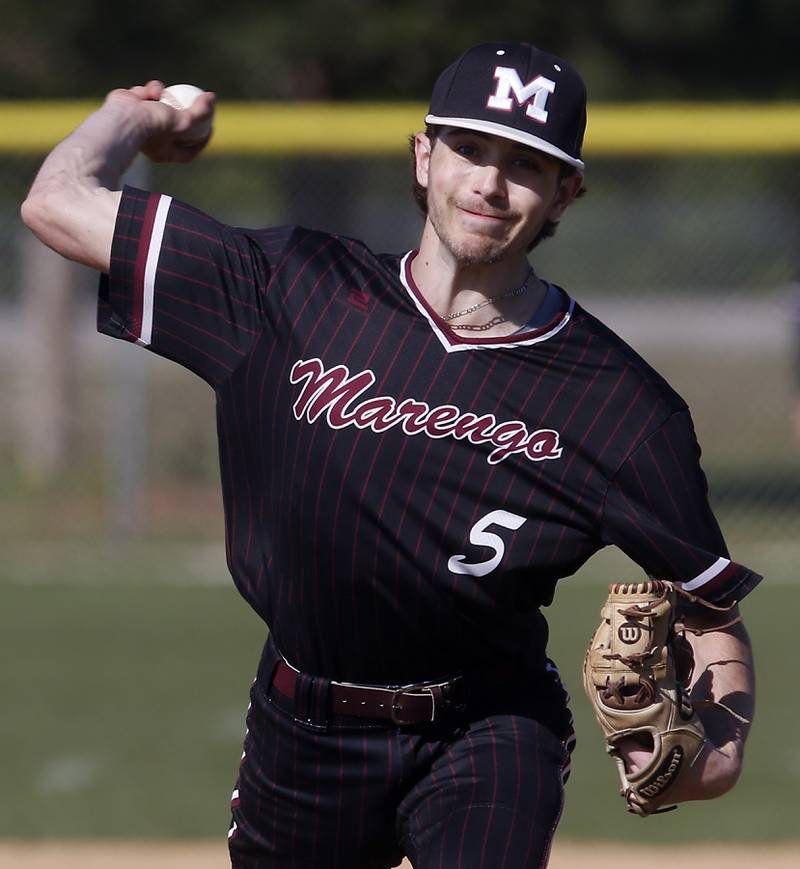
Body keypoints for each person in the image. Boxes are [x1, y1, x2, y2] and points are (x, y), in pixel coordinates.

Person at [22, 41, 759, 869]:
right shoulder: (285, 289)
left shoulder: (623, 408)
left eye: (524, 164)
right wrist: (136, 116)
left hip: (488, 727)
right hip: (302, 728)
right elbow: (57, 202)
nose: (488, 182)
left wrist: (718, 752)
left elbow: (709, 608)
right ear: (424, 155)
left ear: (566, 192)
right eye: (470, 149)